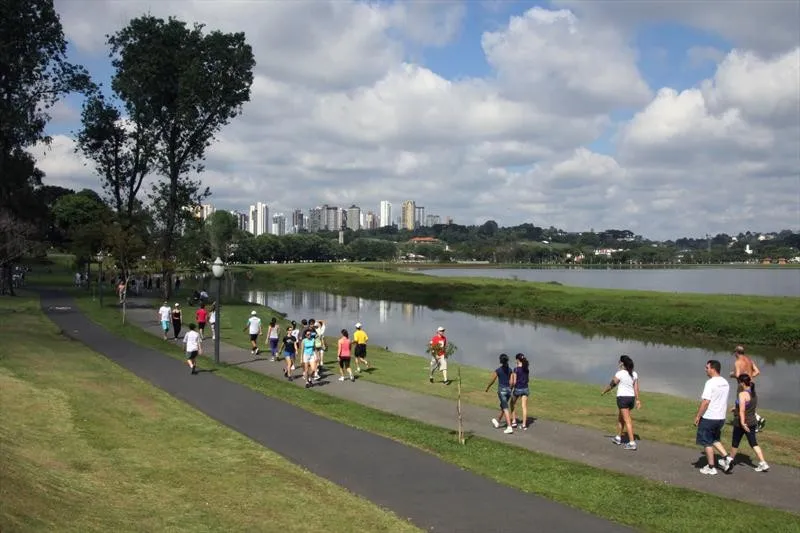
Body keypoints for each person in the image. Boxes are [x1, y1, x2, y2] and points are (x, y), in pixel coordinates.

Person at [694, 360, 734, 475]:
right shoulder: (725, 382)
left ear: (713, 369)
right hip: (721, 418)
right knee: (715, 439)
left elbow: (706, 402)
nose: (705, 369)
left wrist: (698, 416)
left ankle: (711, 467)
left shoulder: (710, 383)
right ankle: (727, 458)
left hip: (709, 417)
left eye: (707, 367)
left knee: (707, 442)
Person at [725, 373, 770, 472]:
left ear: (741, 383)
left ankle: (729, 461)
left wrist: (742, 423)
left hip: (742, 423)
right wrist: (735, 408)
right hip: (752, 421)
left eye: (739, 382)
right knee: (753, 443)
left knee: (735, 443)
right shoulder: (753, 393)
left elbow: (742, 411)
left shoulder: (742, 394)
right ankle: (763, 463)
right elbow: (747, 406)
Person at [601, 355, 641, 450]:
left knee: (627, 420)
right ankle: (618, 438)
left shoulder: (620, 373)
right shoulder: (634, 374)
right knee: (621, 418)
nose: (618, 362)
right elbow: (636, 388)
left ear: (622, 363)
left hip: (623, 399)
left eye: (619, 361)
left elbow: (612, 384)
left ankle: (632, 443)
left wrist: (604, 391)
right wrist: (638, 400)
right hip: (630, 399)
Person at [730, 345, 765, 431]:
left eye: (734, 353)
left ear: (736, 353)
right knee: (750, 405)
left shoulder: (738, 362)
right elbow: (757, 372)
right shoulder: (749, 360)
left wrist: (732, 374)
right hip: (751, 384)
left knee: (741, 405)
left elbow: (738, 375)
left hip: (742, 386)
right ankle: (756, 421)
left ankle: (750, 421)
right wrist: (749, 377)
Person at [485, 354, 514, 434]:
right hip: (508, 391)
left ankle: (509, 426)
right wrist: (510, 389)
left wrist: (487, 387)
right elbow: (511, 382)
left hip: (501, 391)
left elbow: (492, 380)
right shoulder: (510, 370)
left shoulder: (498, 370)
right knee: (503, 407)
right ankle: (498, 422)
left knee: (505, 408)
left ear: (500, 361)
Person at [509, 353, 531, 431]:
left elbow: (514, 382)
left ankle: (514, 421)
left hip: (518, 389)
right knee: (524, 407)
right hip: (525, 388)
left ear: (517, 359)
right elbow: (528, 380)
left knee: (512, 403)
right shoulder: (526, 369)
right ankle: (524, 425)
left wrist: (511, 388)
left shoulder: (516, 369)